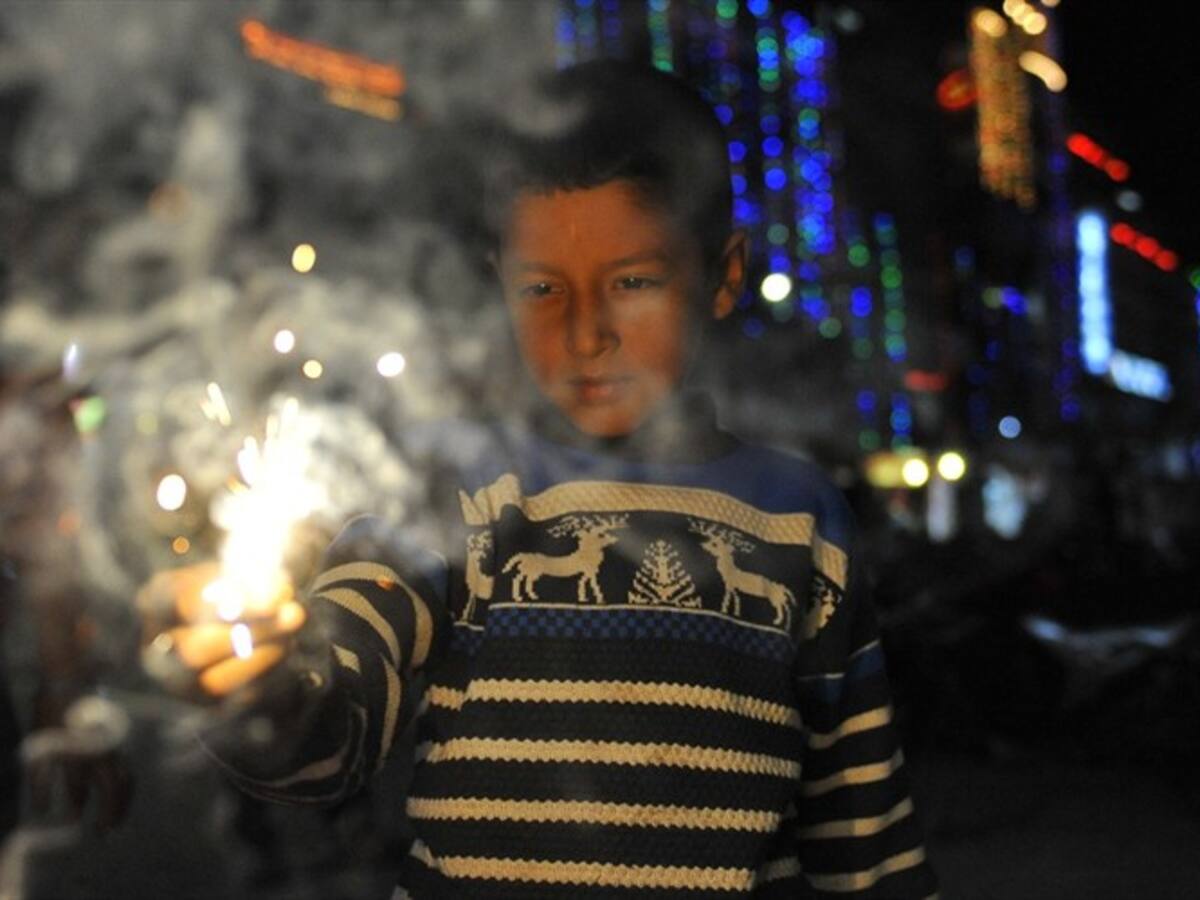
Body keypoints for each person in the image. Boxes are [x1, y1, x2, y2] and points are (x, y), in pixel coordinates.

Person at [142, 60, 939, 898]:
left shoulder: (797, 518)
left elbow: (862, 833)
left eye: (633, 283)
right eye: (541, 288)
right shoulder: (446, 486)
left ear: (724, 276)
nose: (586, 331)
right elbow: (332, 734)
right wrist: (255, 679)